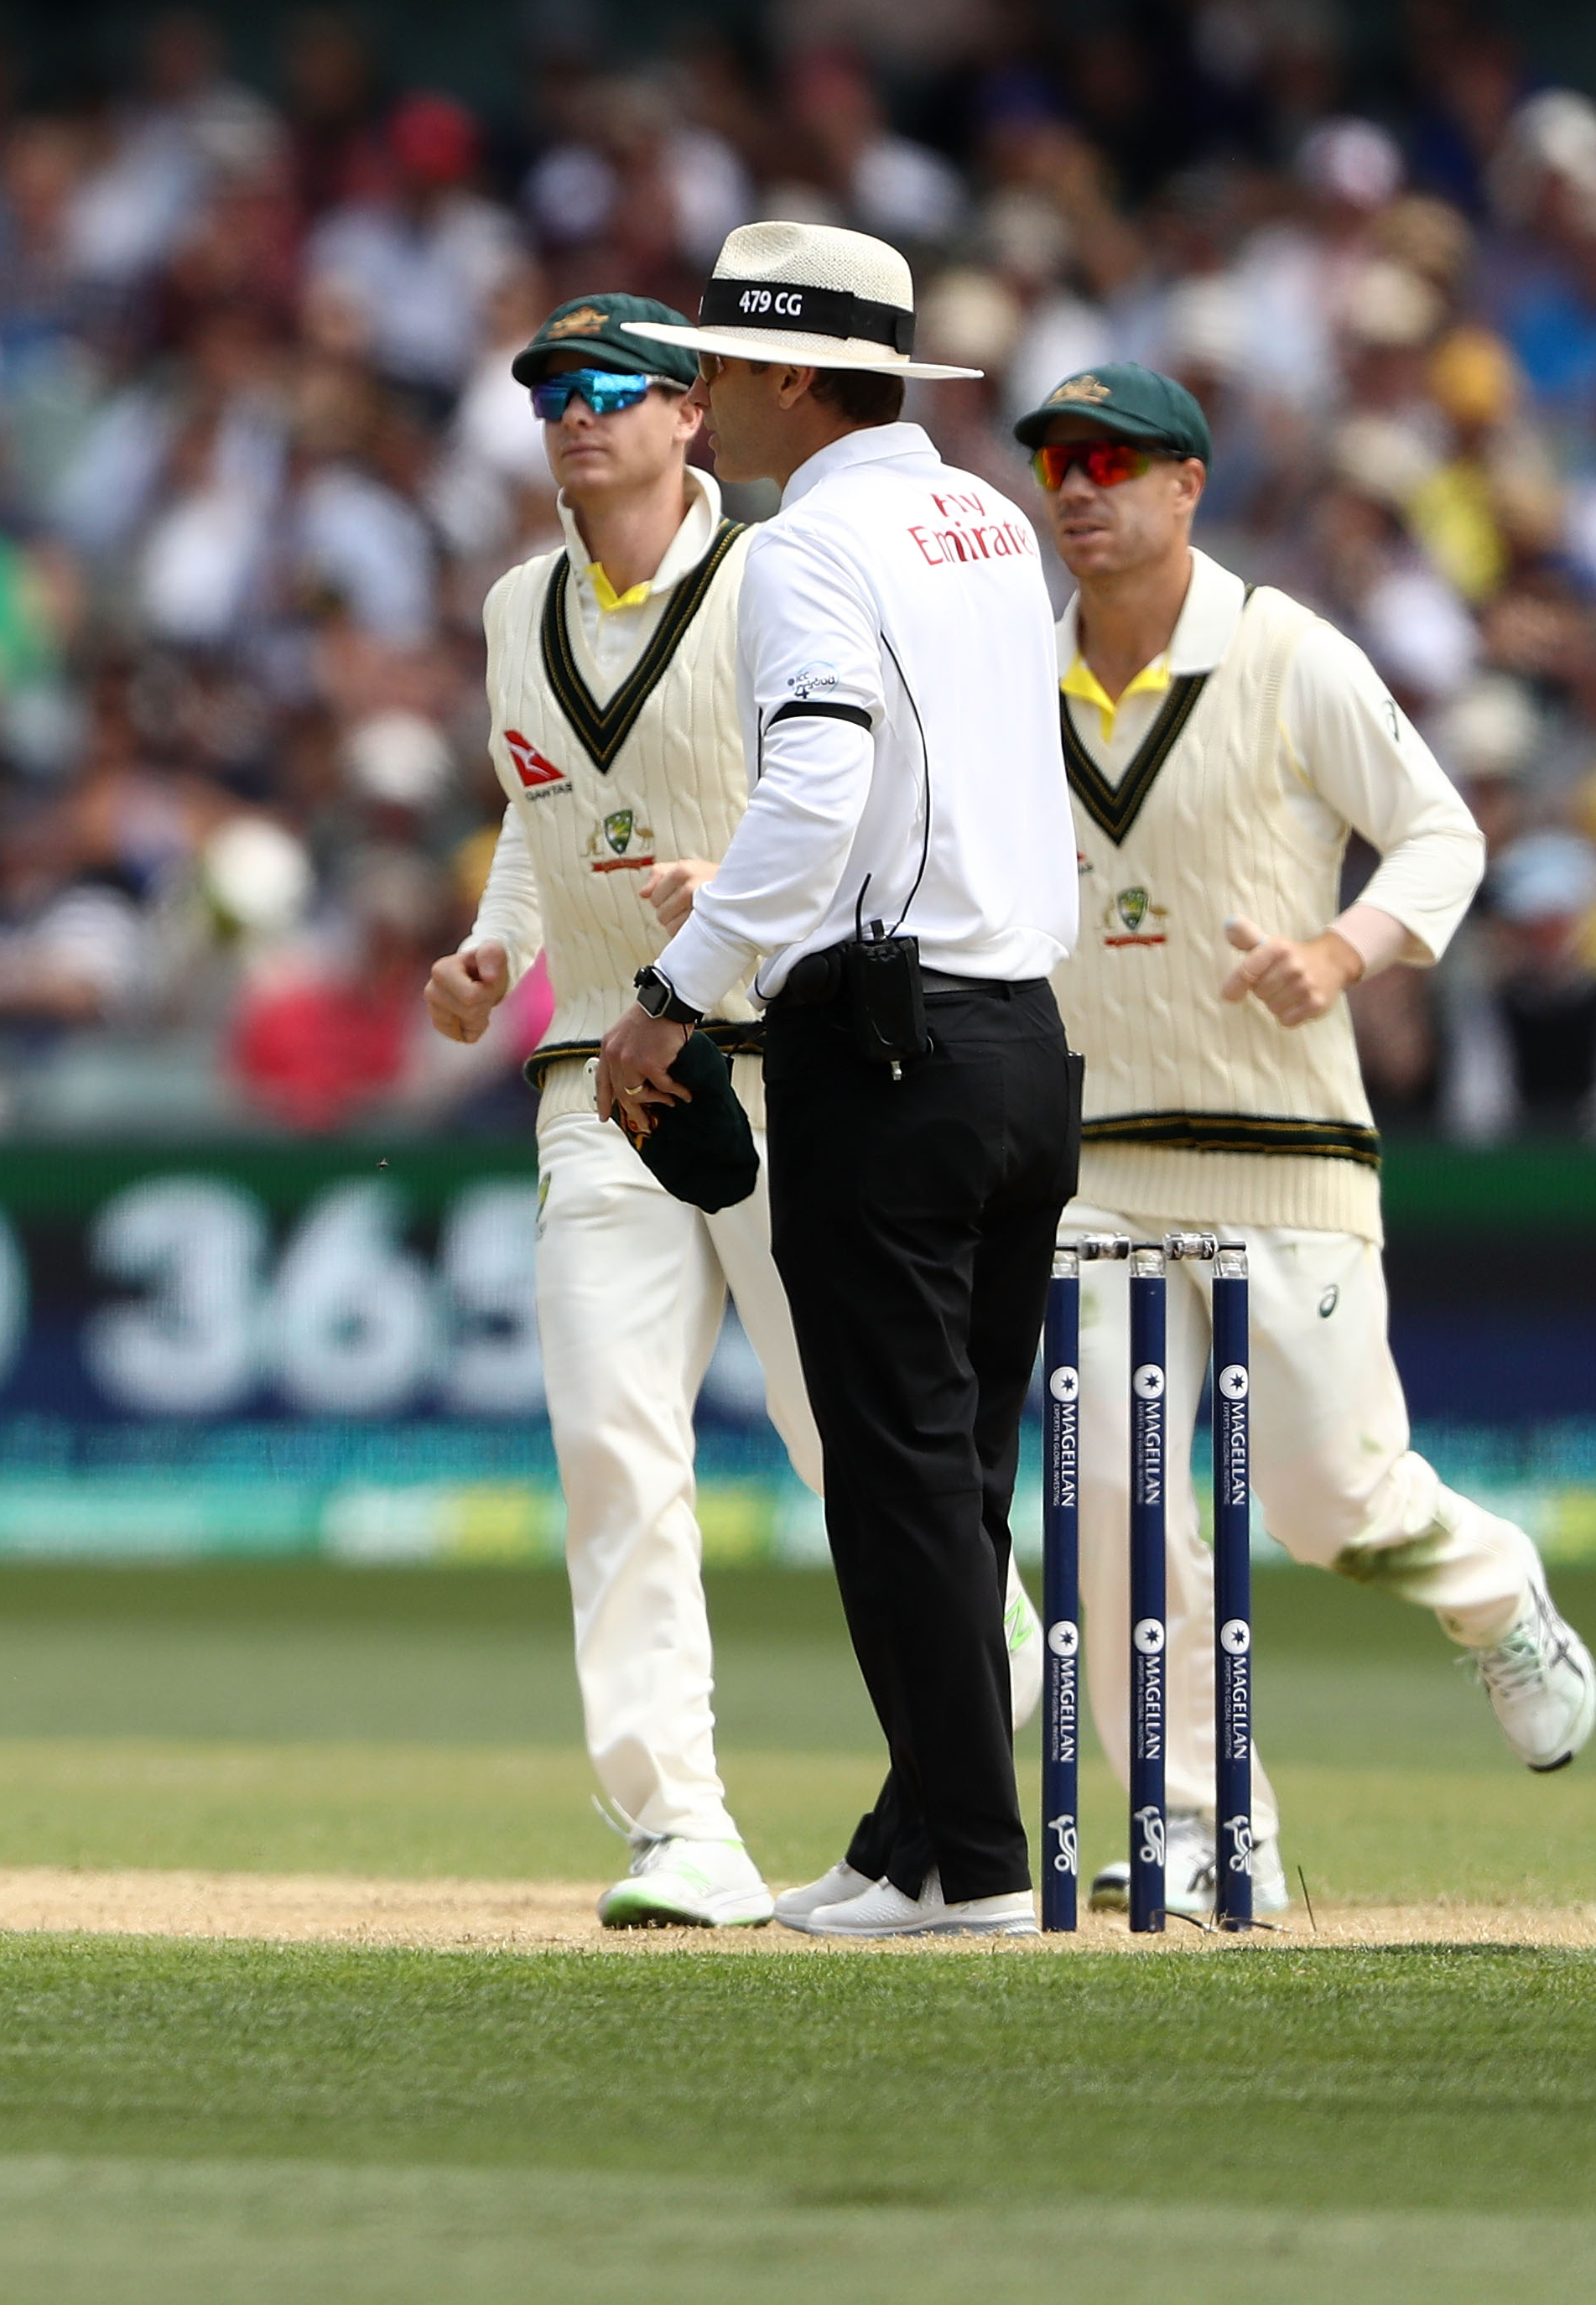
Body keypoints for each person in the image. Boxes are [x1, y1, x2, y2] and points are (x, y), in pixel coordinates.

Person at [1023, 359, 1596, 1903]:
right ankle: (1222, 1834)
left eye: (1115, 462)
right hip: (1096, 1166)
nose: (1079, 487)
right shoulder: (1014, 673)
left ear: (1188, 483)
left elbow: (1444, 833)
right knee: (1107, 1515)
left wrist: (1342, 953)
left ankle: (1496, 1591)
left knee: (1333, 1505)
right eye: (1059, 460)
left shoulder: (1287, 654)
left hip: (1285, 1147)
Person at [609, 221, 1073, 1939]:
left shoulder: (805, 545)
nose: (702, 394)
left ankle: (969, 1862)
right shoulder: (985, 520)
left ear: (792, 375)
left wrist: (671, 994)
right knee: (950, 1475)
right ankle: (903, 1841)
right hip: (1020, 1036)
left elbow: (814, 794)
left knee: (892, 1474)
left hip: (881, 1040)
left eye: (719, 364)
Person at [430, 295, 823, 1926]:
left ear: (688, 420)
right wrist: (492, 946)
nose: (572, 416)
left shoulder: (774, 581)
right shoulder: (515, 604)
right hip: (597, 1076)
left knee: (845, 1433)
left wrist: (728, 888)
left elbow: (853, 795)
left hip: (785, 1056)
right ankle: (679, 1826)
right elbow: (541, 808)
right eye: (548, 395)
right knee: (609, 1443)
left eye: (607, 391)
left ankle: (982, 1669)